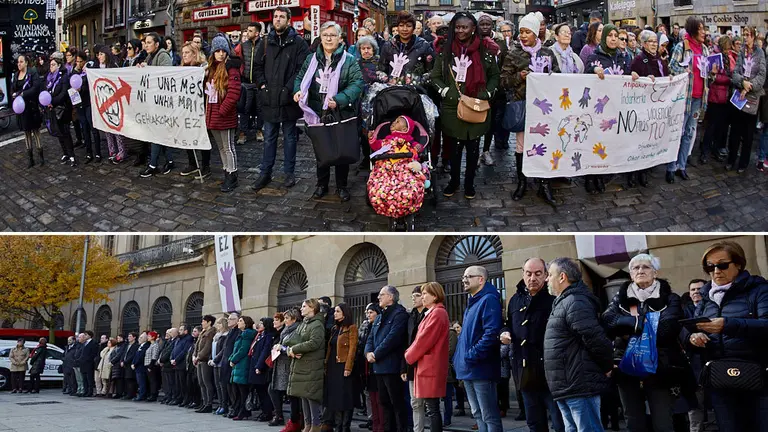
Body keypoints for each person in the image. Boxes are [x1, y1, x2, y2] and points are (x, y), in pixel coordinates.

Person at [602, 254, 692, 432]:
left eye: (645, 267)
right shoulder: (619, 299)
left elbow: (668, 327)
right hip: (626, 367)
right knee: (633, 421)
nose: (640, 270)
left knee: (663, 422)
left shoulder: (670, 298)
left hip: (660, 367)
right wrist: (642, 324)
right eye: (635, 268)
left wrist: (629, 328)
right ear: (630, 274)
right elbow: (608, 322)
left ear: (655, 272)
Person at [688, 241, 768, 432]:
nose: (716, 271)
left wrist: (727, 325)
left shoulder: (759, 289)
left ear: (738, 264)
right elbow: (692, 326)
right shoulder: (706, 295)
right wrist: (694, 337)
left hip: (756, 372)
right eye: (710, 266)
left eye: (722, 265)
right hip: (719, 375)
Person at [431, 12, 499, 200]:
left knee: (473, 147)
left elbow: (495, 76)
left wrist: (487, 93)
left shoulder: (484, 50)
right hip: (453, 107)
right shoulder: (446, 50)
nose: (460, 30)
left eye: (465, 27)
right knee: (453, 148)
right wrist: (446, 92)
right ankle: (454, 181)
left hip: (476, 105)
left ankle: (469, 183)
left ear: (473, 28)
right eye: (457, 27)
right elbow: (435, 76)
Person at [294, 21, 364, 202]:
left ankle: (342, 186)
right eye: (325, 35)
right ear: (321, 38)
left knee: (341, 150)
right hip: (318, 112)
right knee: (321, 149)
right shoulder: (312, 59)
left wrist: (339, 99)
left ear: (340, 38)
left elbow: (357, 84)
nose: (329, 38)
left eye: (333, 35)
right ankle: (321, 184)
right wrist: (298, 90)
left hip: (341, 112)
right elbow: (301, 77)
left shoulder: (349, 60)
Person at [543, 258, 613, 432]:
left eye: (549, 274)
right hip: (566, 387)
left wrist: (606, 365)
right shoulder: (563, 301)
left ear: (562, 277)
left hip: (579, 386)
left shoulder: (575, 301)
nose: (546, 279)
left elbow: (595, 338)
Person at [500, 258, 565, 432]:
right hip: (524, 372)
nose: (532, 278)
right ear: (523, 274)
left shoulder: (554, 298)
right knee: (534, 423)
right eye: (528, 274)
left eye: (538, 274)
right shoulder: (515, 299)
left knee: (560, 423)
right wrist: (504, 332)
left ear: (545, 275)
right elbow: (507, 322)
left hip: (551, 372)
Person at [500, 13, 557, 204]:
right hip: (523, 105)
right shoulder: (514, 54)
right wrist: (519, 77)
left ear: (536, 34)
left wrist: (549, 76)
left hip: (544, 108)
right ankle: (522, 181)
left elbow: (557, 75)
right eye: (521, 32)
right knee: (522, 146)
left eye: (527, 32)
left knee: (544, 144)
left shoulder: (547, 53)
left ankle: (544, 183)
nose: (523, 36)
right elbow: (504, 82)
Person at [253, 7, 311, 191]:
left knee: (289, 137)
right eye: (275, 17)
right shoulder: (264, 42)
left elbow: (301, 70)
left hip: (288, 99)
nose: (277, 20)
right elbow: (257, 67)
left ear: (289, 20)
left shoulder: (299, 43)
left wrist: (288, 89)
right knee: (269, 137)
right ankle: (265, 173)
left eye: (281, 17)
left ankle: (289, 172)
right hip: (269, 98)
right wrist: (262, 85)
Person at [585, 24, 633, 194]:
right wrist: (593, 69)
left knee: (608, 143)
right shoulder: (594, 56)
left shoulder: (622, 57)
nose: (613, 38)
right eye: (610, 35)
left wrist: (634, 75)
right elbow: (585, 74)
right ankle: (591, 177)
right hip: (598, 108)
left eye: (616, 35)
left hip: (615, 108)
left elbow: (629, 74)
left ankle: (603, 174)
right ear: (604, 37)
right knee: (596, 142)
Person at [454, 265, 503, 432]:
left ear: (481, 279)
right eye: (463, 277)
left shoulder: (488, 299)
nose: (464, 280)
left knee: (489, 415)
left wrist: (470, 356)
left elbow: (491, 334)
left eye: (468, 276)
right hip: (468, 368)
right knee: (477, 413)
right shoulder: (472, 302)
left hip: (481, 369)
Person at [667, 17, 712, 183]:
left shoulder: (705, 49)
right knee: (678, 133)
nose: (704, 32)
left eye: (704, 29)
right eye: (701, 29)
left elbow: (707, 74)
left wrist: (712, 71)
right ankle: (671, 167)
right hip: (684, 97)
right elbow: (672, 66)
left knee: (689, 132)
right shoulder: (682, 46)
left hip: (698, 98)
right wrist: (685, 69)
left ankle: (682, 166)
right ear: (693, 30)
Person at [404, 282, 450, 432]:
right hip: (427, 365)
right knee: (431, 408)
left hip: (431, 366)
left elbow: (423, 340)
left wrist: (408, 355)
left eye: (425, 294)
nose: (422, 297)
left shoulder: (437, 313)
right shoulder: (432, 312)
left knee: (432, 408)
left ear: (435, 296)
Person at [627, 29, 670, 188]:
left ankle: (644, 171)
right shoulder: (639, 59)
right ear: (644, 44)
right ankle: (632, 173)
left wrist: (670, 79)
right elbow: (630, 80)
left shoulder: (661, 60)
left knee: (648, 140)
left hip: (656, 107)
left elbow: (666, 76)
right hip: (641, 107)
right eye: (651, 42)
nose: (654, 44)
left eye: (655, 41)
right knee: (637, 142)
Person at [364, 286, 409, 432]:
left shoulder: (399, 314)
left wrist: (375, 354)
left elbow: (392, 338)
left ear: (391, 297)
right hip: (378, 367)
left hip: (392, 366)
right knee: (384, 403)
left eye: (381, 295)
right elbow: (370, 338)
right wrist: (368, 353)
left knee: (397, 404)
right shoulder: (381, 315)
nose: (379, 298)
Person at [204, 34, 242, 192]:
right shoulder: (210, 69)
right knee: (220, 147)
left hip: (223, 115)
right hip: (213, 115)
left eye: (223, 50)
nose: (221, 53)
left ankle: (232, 175)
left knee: (228, 147)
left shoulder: (230, 68)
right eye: (217, 50)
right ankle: (226, 171)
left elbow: (234, 92)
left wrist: (222, 110)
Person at [286, 299, 327, 432]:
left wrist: (295, 349)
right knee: (303, 395)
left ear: (312, 308)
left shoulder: (317, 324)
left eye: (304, 306)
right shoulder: (304, 323)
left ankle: (315, 426)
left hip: (311, 366)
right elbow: (293, 339)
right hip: (302, 365)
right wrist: (290, 350)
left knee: (311, 396)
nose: (301, 309)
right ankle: (307, 425)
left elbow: (315, 342)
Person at [728, 26, 765, 173]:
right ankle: (731, 159)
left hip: (751, 96)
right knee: (735, 131)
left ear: (753, 37)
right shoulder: (742, 52)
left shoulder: (760, 53)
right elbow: (735, 72)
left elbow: (762, 76)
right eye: (744, 34)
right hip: (739, 96)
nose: (745, 37)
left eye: (748, 35)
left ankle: (743, 163)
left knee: (748, 133)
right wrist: (742, 82)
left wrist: (748, 86)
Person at [178, 41, 212, 179]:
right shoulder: (181, 69)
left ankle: (206, 166)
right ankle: (192, 163)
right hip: (187, 108)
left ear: (194, 54)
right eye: (183, 53)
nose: (184, 55)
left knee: (203, 136)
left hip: (201, 107)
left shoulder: (203, 67)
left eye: (187, 53)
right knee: (187, 135)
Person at [324, 303, 359, 432]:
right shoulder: (334, 329)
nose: (335, 313)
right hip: (333, 366)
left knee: (345, 397)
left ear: (345, 313)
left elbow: (352, 349)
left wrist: (348, 367)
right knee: (335, 397)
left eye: (338, 311)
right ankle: (338, 426)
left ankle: (345, 427)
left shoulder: (351, 328)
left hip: (343, 365)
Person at [379, 11, 433, 87]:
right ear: (397, 27)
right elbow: (380, 70)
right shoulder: (388, 46)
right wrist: (388, 80)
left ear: (413, 28)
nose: (405, 29)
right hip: (393, 92)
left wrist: (418, 80)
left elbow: (432, 71)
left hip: (417, 92)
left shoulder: (423, 45)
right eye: (401, 25)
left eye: (408, 26)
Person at [270, 308, 302, 429]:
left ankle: (295, 421)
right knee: (284, 392)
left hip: (289, 364)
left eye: (287, 318)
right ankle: (290, 420)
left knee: (293, 395)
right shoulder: (287, 329)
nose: (285, 321)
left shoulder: (297, 329)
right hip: (282, 364)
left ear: (294, 319)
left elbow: (295, 347)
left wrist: (282, 348)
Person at [401, 287, 428, 432]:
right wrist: (403, 367)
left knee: (431, 404)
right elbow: (406, 343)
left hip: (426, 364)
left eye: (417, 295)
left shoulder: (429, 314)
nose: (414, 298)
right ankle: (418, 430)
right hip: (411, 364)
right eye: (413, 296)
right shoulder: (410, 317)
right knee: (415, 402)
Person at [11, 53, 43, 168]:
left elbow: (36, 87)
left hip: (31, 107)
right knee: (26, 132)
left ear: (26, 63)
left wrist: (23, 94)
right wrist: (14, 95)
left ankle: (41, 156)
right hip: (21, 108)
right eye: (18, 62)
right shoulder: (16, 74)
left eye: (21, 62)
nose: (19, 64)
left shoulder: (32, 73)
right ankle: (30, 158)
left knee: (35, 131)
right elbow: (13, 88)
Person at [45, 52, 76, 167]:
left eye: (53, 64)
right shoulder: (48, 77)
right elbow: (46, 91)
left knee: (65, 132)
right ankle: (65, 153)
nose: (51, 67)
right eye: (50, 65)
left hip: (63, 109)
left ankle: (72, 154)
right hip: (53, 109)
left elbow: (63, 93)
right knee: (58, 132)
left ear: (58, 65)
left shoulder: (64, 76)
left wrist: (52, 101)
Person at [235, 22, 264, 145]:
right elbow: (237, 60)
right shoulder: (243, 45)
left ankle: (259, 130)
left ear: (257, 33)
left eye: (250, 31)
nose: (247, 33)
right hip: (245, 82)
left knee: (259, 109)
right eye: (247, 31)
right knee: (244, 109)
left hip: (258, 83)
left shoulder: (264, 45)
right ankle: (243, 132)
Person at [249, 317, 278, 421]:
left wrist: (259, 366)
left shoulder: (268, 336)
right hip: (255, 364)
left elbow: (265, 352)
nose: (259, 325)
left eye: (261, 323)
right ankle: (264, 412)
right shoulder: (261, 335)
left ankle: (267, 412)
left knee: (264, 392)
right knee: (259, 391)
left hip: (262, 367)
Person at [230, 316, 257, 420]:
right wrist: (231, 358)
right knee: (238, 390)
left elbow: (243, 350)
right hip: (238, 364)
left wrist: (233, 359)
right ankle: (240, 411)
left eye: (241, 321)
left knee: (243, 391)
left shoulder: (247, 334)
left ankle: (243, 412)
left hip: (243, 364)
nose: (238, 322)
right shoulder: (242, 333)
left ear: (246, 324)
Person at [192, 315, 216, 412]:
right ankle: (204, 402)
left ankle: (209, 404)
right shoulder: (203, 332)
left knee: (207, 382)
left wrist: (198, 356)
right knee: (201, 382)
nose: (202, 323)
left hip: (205, 360)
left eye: (204, 321)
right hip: (199, 360)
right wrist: (194, 355)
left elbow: (207, 347)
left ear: (209, 322)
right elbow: (197, 346)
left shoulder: (211, 332)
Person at [171, 325, 194, 405]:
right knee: (177, 383)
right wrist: (172, 358)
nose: (179, 331)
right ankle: (178, 398)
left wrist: (176, 360)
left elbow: (184, 351)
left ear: (186, 331)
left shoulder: (188, 339)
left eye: (181, 330)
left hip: (182, 364)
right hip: (176, 364)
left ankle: (185, 399)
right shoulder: (179, 339)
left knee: (183, 383)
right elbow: (174, 350)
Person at [210, 318, 229, 414]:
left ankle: (224, 405)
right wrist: (211, 359)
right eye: (217, 323)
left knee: (222, 386)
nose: (218, 325)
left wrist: (216, 359)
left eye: (220, 323)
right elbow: (213, 349)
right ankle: (220, 404)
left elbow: (223, 350)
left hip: (221, 363)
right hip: (215, 363)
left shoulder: (226, 336)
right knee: (217, 385)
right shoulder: (217, 336)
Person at [77, 330, 99, 397]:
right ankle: (85, 391)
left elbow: (93, 354)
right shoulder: (84, 343)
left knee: (89, 378)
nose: (85, 336)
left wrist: (88, 359)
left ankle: (90, 391)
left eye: (86, 335)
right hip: (83, 363)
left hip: (89, 363)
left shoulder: (94, 343)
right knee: (84, 378)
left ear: (89, 335)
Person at [159, 328, 177, 404]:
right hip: (164, 365)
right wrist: (160, 360)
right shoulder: (167, 342)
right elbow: (163, 351)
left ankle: (171, 396)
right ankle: (167, 396)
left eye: (169, 332)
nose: (167, 334)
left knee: (171, 383)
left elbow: (169, 352)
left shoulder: (174, 341)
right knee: (166, 383)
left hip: (169, 365)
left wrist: (162, 360)